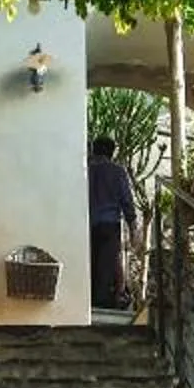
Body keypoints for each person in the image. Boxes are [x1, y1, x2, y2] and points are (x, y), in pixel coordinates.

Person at [87, 129, 139, 310]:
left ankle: (90, 301)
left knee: (91, 261)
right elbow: (126, 200)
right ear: (111, 152)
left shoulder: (86, 171)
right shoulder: (118, 172)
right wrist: (133, 227)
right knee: (107, 263)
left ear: (94, 151)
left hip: (88, 223)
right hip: (110, 224)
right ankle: (102, 303)